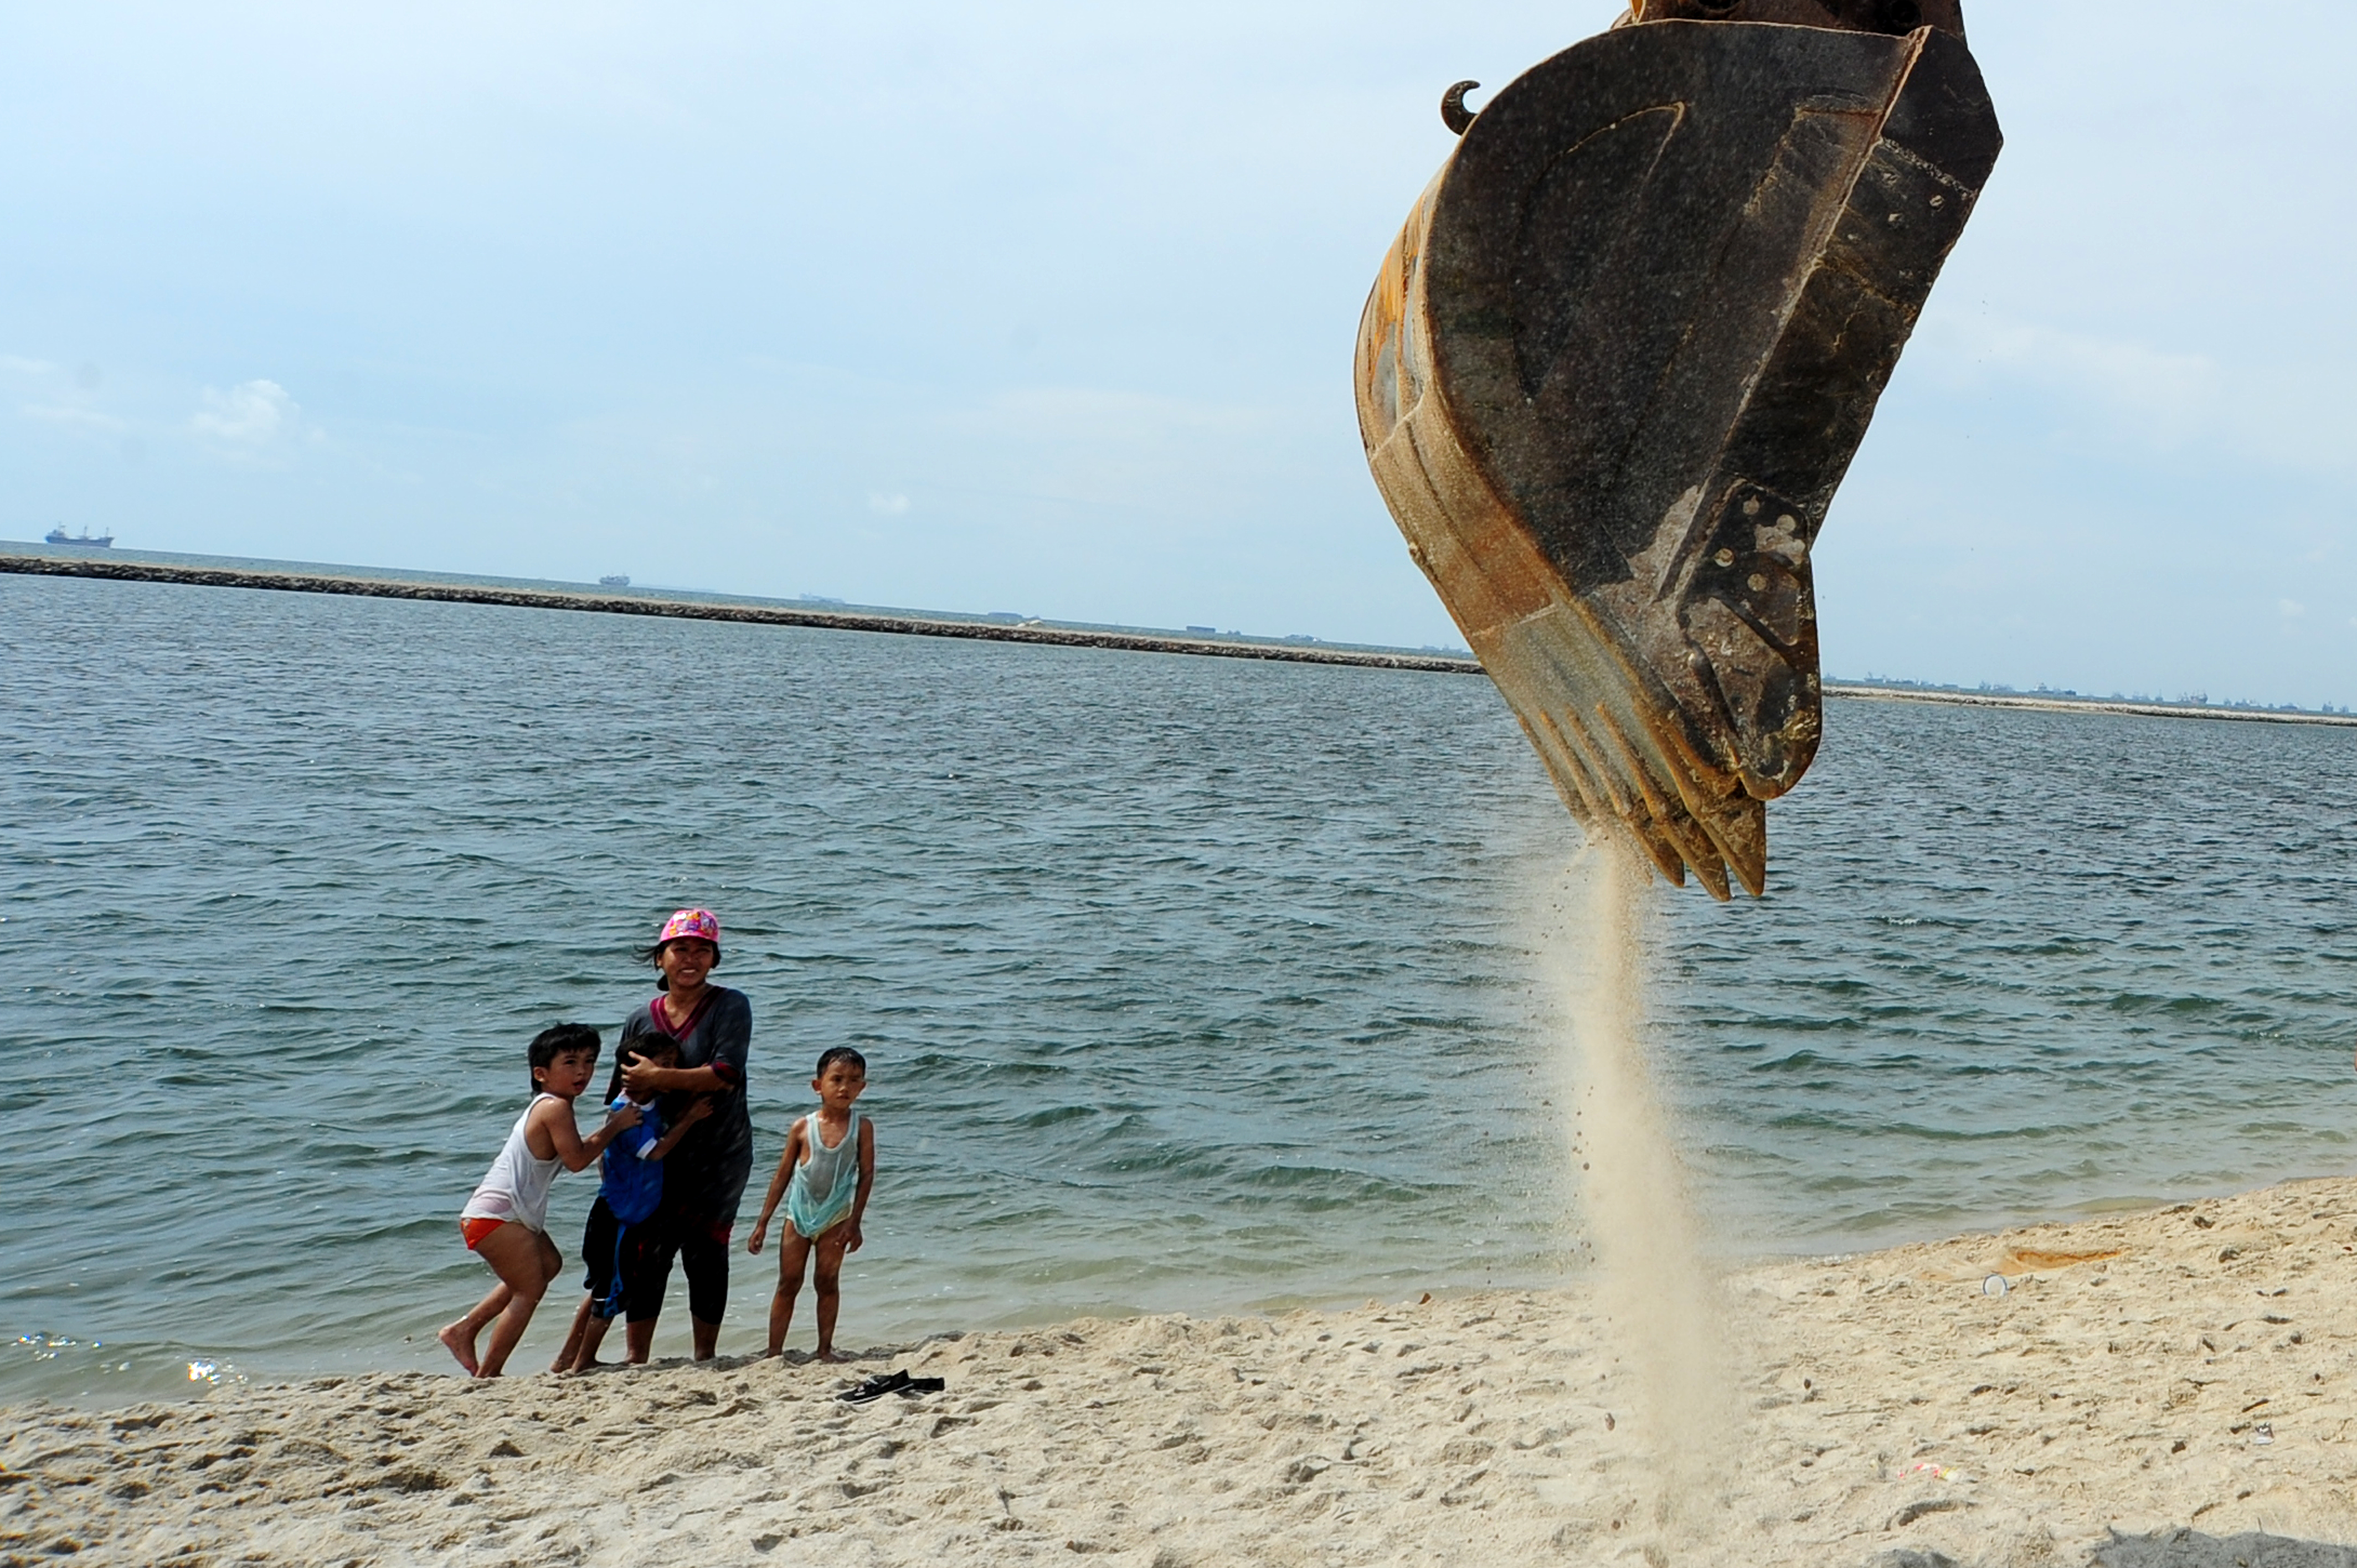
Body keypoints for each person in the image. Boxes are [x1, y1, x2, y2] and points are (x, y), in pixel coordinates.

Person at [439, 1024, 639, 1378]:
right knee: (528, 1290)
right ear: (541, 1074)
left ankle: (465, 1330)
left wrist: (610, 1131)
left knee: (549, 1265)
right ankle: (489, 1374)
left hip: (506, 1214)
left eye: (590, 1061)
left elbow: (576, 1150)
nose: (582, 1072)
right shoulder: (555, 1108)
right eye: (570, 1063)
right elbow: (577, 1160)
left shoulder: (552, 1106)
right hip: (496, 1216)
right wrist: (616, 1126)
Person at [614, 907, 755, 1361]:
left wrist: (659, 1078)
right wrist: (612, 1161)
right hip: (655, 1155)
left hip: (720, 1153)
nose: (690, 959)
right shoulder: (642, 1018)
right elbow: (622, 1094)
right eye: (680, 949)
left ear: (714, 959)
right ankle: (636, 1356)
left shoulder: (730, 1006)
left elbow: (725, 1074)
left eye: (702, 950)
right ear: (661, 958)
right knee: (647, 1253)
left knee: (706, 1250)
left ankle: (705, 1355)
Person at [547, 1038, 713, 1374]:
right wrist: (690, 1118)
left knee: (606, 1285)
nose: (669, 1071)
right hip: (617, 1217)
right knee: (608, 1291)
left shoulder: (652, 1102)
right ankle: (583, 1362)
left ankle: (566, 1359)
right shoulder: (627, 1112)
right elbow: (656, 1151)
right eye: (663, 1064)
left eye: (673, 1064)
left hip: (633, 1211)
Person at [747, 1047, 877, 1361]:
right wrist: (763, 1222)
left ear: (862, 1087)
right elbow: (782, 1176)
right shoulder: (802, 1128)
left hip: (836, 1217)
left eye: (854, 1080)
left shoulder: (862, 1127)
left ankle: (825, 1349)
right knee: (788, 1283)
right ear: (818, 1085)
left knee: (827, 1282)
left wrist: (855, 1222)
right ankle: (774, 1352)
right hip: (799, 1216)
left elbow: (867, 1174)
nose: (845, 1087)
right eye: (837, 1079)